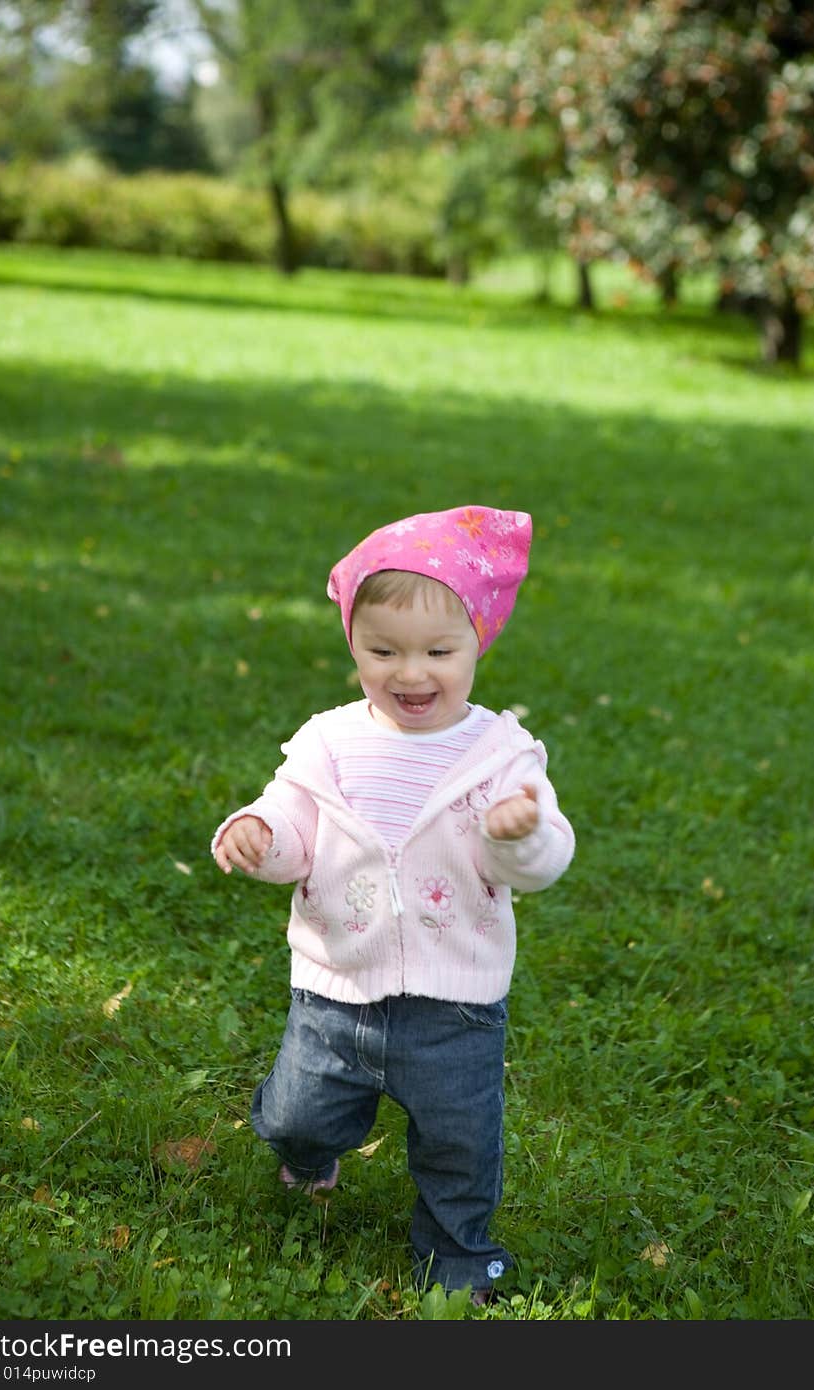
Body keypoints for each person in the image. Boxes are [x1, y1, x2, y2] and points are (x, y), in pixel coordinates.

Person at [211, 504, 575, 1304]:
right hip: (335, 987)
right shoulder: (329, 742)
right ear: (353, 644)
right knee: (302, 1112)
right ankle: (307, 1157)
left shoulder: (498, 755)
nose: (412, 673)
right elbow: (293, 826)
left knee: (460, 1144)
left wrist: (517, 836)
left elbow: (547, 858)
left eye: (439, 651)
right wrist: (258, 833)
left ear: (478, 640)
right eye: (383, 651)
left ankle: (456, 1256)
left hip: (456, 1006)